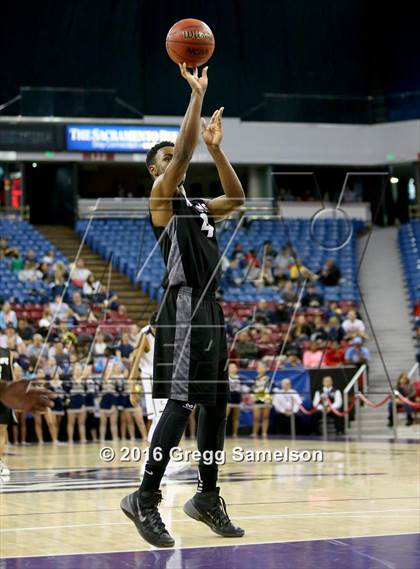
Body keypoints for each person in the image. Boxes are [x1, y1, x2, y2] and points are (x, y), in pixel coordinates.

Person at [121, 63, 245, 547]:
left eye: (177, 156)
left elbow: (234, 195)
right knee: (181, 402)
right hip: (183, 305)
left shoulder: (199, 206)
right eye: (169, 158)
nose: (179, 159)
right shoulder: (161, 196)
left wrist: (218, 150)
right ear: (157, 171)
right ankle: (145, 496)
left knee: (216, 405)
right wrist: (196, 98)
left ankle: (207, 496)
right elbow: (185, 149)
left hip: (211, 307)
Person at [251, 362, 272, 438]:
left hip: (266, 399)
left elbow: (269, 390)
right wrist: (253, 397)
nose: (260, 369)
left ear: (265, 369)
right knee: (256, 417)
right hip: (257, 400)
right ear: (257, 370)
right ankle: (255, 432)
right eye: (259, 368)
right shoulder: (255, 379)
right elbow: (252, 390)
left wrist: (267, 399)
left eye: (262, 367)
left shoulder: (268, 379)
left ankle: (264, 432)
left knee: (265, 417)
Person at [226, 362, 242, 437]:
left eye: (234, 367)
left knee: (236, 417)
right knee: (225, 416)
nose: (233, 369)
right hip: (229, 397)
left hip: (237, 398)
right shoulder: (226, 377)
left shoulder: (240, 377)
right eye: (231, 367)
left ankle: (235, 433)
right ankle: (223, 432)